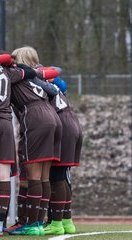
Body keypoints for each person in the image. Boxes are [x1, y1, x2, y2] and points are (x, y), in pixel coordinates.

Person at [0, 45, 61, 236]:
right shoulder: (13, 72)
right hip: (10, 122)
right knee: (7, 175)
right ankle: (3, 225)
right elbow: (55, 76)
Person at [43, 74, 83, 235]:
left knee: (57, 176)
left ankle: (57, 223)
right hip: (71, 122)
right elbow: (62, 85)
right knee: (62, 176)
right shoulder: (54, 84)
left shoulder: (40, 81)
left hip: (62, 125)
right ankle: (66, 221)